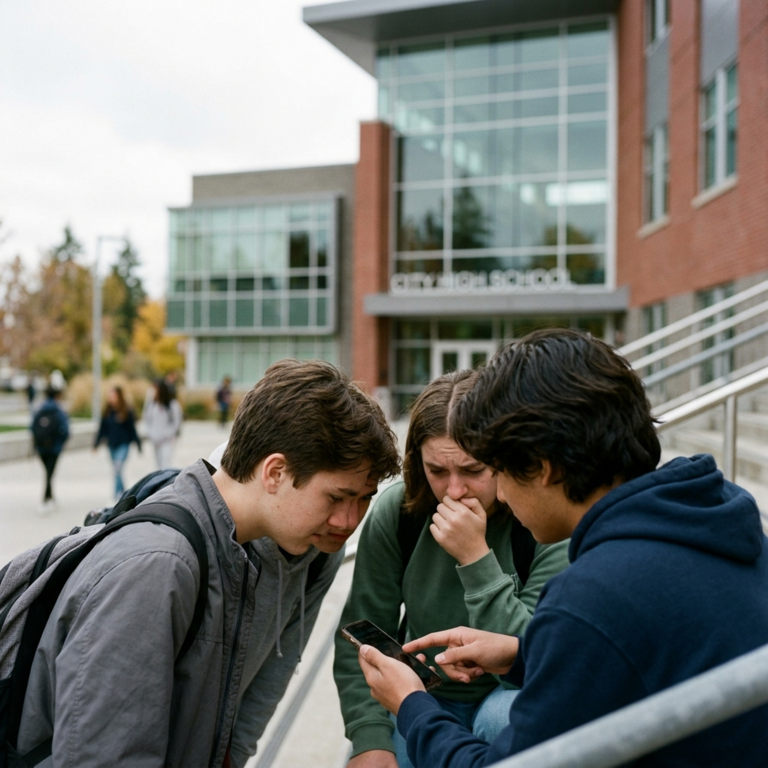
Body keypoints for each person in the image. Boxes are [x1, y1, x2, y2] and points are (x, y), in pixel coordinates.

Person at [356, 329, 768, 767]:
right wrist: (523, 654)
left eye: (497, 470)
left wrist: (412, 705)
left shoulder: (596, 593)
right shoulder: (711, 517)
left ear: (543, 468)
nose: (501, 495)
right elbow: (636, 652)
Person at [17, 359, 401, 768]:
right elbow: (104, 757)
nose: (349, 521)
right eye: (337, 498)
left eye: (365, 498)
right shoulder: (157, 567)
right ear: (274, 472)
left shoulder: (302, 547)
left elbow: (259, 688)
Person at [334, 370, 569, 768]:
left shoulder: (543, 517)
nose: (455, 491)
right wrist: (369, 739)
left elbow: (542, 659)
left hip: (511, 698)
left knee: (499, 720)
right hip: (421, 693)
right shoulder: (399, 512)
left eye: (473, 470)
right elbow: (361, 633)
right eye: (438, 471)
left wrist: (475, 558)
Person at [93, 385, 142, 498]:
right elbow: (102, 429)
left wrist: (138, 445)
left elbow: (132, 430)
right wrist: (96, 444)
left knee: (117, 467)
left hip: (123, 444)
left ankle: (116, 494)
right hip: (112, 445)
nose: (111, 398)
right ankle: (124, 492)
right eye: (110, 396)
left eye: (113, 396)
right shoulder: (107, 412)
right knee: (117, 470)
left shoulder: (126, 411)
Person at [30, 385, 69, 512]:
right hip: (54, 448)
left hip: (41, 448)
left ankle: (51, 497)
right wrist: (60, 443)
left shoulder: (40, 409)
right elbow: (66, 430)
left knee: (48, 472)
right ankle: (44, 500)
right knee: (49, 473)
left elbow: (32, 427)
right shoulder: (58, 411)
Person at [143, 379, 183, 469]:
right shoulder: (152, 405)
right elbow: (147, 420)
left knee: (165, 464)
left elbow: (176, 424)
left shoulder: (172, 405)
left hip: (167, 441)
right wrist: (150, 434)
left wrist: (166, 435)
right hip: (155, 440)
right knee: (159, 465)